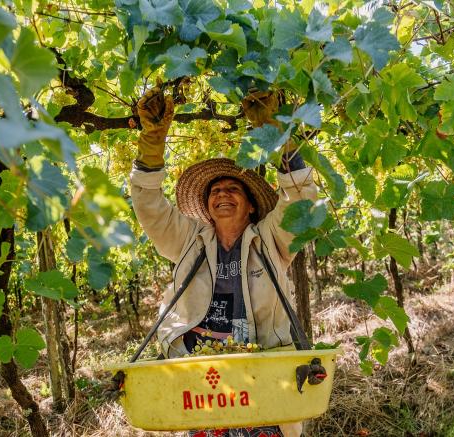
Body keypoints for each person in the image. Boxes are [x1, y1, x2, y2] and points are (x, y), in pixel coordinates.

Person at [129, 87, 317, 437]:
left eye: (233, 190)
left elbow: (301, 200)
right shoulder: (189, 240)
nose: (222, 195)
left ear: (250, 206)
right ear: (207, 208)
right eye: (215, 192)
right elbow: (149, 206)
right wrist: (152, 143)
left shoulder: (271, 238)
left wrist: (275, 131)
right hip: (202, 384)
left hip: (261, 383)